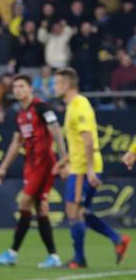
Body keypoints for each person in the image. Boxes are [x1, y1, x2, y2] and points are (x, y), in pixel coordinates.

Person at [53, 68, 131, 269]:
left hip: (82, 170)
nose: (54, 87)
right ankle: (117, 239)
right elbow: (78, 143)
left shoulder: (79, 105)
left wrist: (88, 170)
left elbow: (88, 141)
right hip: (80, 167)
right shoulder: (72, 106)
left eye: (57, 83)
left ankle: (79, 259)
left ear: (67, 84)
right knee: (82, 212)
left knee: (74, 212)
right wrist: (62, 163)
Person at [0, 74, 68, 268]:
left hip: (44, 164)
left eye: (22, 86)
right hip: (30, 166)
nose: (18, 90)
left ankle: (12, 252)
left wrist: (65, 159)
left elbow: (56, 130)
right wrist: (3, 168)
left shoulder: (42, 107)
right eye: (15, 87)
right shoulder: (20, 114)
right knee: (41, 208)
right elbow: (16, 143)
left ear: (30, 89)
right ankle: (53, 256)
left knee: (25, 202)